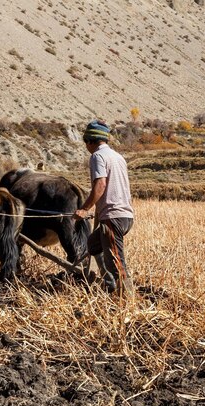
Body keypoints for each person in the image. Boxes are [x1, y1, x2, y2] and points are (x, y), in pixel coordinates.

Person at [74, 120, 134, 295]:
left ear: (91, 141)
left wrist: (84, 209)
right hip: (126, 215)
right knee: (93, 245)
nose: (86, 146)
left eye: (86, 142)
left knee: (116, 263)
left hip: (113, 217)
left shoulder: (97, 157)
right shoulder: (118, 157)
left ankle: (128, 301)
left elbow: (100, 185)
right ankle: (108, 285)